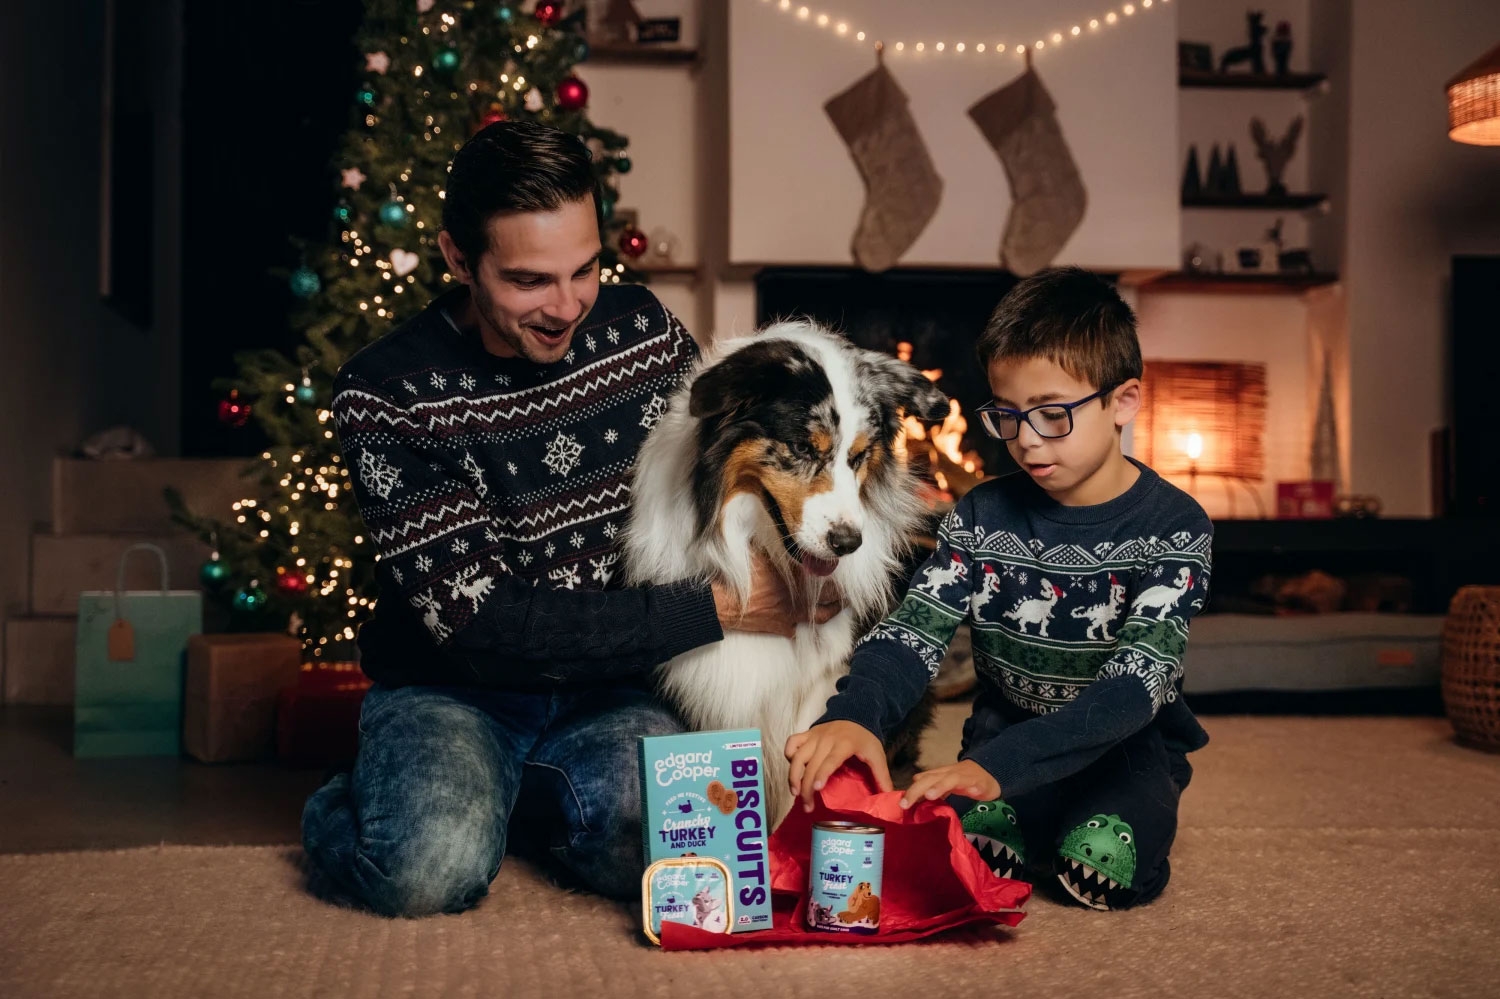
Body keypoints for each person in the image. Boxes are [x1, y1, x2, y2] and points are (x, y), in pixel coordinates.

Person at [301, 121, 840, 917]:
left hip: (611, 687)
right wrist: (720, 607)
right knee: (427, 870)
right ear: (458, 260)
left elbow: (730, 465)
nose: (567, 306)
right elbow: (484, 623)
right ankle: (366, 801)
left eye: (586, 268)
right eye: (529, 281)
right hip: (453, 690)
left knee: (686, 848)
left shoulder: (642, 331)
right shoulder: (387, 393)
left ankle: (516, 802)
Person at [786, 267, 1213, 911]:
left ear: (1123, 400)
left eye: (1052, 416)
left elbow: (1134, 687)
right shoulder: (980, 515)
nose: (1027, 442)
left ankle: (1083, 816)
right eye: (1007, 417)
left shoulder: (1174, 527)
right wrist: (855, 716)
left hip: (1122, 749)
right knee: (964, 850)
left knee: (1104, 863)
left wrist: (1000, 768)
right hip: (1002, 730)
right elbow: (912, 634)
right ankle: (1026, 812)